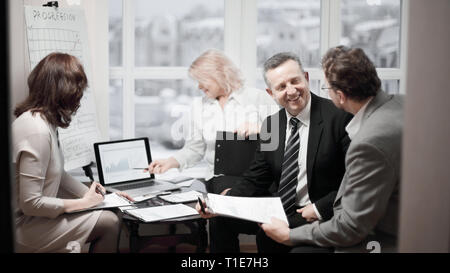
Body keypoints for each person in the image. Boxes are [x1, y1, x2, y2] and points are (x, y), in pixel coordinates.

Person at [197, 52, 353, 253]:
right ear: (271, 94)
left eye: (295, 81)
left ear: (305, 78)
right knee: (221, 220)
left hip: (318, 214)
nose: (291, 91)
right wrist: (221, 203)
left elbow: (354, 180)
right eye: (281, 87)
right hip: (279, 209)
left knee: (271, 239)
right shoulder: (272, 124)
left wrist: (317, 209)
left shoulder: (340, 117)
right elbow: (256, 177)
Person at [261, 46, 404, 253]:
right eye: (281, 86)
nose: (291, 91)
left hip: (379, 237)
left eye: (326, 88)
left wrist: (290, 236)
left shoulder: (366, 142)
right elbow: (259, 174)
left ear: (340, 96)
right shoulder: (403, 103)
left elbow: (351, 227)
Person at [12, 52, 133, 253]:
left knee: (112, 210)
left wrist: (105, 196)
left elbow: (60, 176)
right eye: (77, 93)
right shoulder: (36, 130)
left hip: (36, 219)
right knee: (109, 222)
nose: (79, 99)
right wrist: (82, 203)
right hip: (24, 227)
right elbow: (30, 204)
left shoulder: (45, 122)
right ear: (63, 92)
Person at [146, 49, 277, 194]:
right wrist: (170, 162)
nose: (199, 86)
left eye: (201, 80)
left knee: (241, 199)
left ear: (219, 75)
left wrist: (261, 129)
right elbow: (194, 149)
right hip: (219, 180)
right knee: (230, 198)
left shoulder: (258, 98)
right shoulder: (198, 106)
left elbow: (282, 138)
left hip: (258, 178)